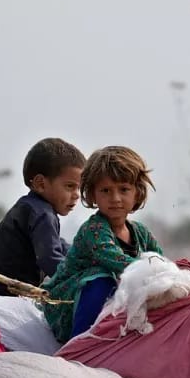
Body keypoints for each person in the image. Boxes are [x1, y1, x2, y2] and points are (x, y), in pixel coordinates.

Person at [42, 145, 163, 342]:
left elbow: (160, 261)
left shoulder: (141, 232)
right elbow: (119, 261)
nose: (115, 198)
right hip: (66, 305)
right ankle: (78, 346)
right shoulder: (94, 230)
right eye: (106, 190)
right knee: (102, 278)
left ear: (137, 193)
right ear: (92, 195)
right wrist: (157, 273)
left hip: (110, 308)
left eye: (123, 189)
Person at [0, 138, 86, 296]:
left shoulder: (29, 207)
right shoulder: (42, 214)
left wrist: (82, 252)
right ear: (41, 184)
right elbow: (50, 258)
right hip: (5, 294)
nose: (77, 195)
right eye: (70, 186)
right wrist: (82, 281)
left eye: (79, 188)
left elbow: (57, 244)